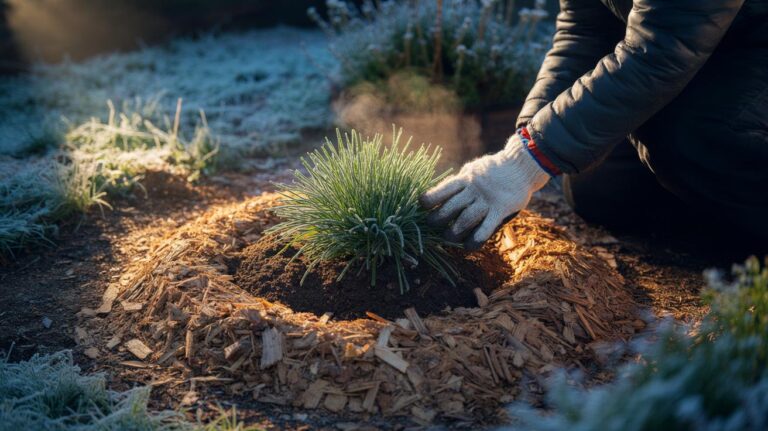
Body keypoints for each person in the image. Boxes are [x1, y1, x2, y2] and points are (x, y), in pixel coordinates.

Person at [420, 0, 768, 251]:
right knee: (596, 186)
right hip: (706, 53)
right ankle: (725, 227)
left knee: (691, 138)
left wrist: (528, 161)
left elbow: (661, 52)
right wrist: (527, 142)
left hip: (745, 52)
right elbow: (584, 34)